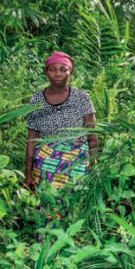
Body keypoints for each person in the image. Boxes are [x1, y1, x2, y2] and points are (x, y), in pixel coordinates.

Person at [25, 51, 97, 190]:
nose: (58, 74)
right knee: (47, 203)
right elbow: (32, 139)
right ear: (46, 72)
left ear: (71, 71)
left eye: (63, 70)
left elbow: (92, 136)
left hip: (76, 160)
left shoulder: (82, 98)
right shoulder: (37, 100)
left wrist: (93, 164)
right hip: (45, 160)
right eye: (52, 70)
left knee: (74, 201)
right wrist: (28, 172)